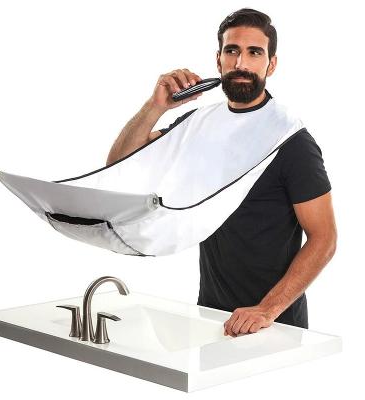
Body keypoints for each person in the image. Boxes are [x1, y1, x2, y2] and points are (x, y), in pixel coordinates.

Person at [106, 8, 337, 336]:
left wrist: (267, 309)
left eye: (254, 52)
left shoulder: (290, 140)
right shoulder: (199, 125)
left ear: (271, 64)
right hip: (210, 317)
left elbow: (324, 238)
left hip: (274, 326)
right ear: (219, 61)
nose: (241, 63)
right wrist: (155, 106)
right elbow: (119, 163)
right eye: (232, 51)